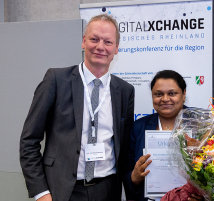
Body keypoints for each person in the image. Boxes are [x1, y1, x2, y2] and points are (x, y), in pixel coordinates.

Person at [19, 14, 134, 201]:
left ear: (116, 48)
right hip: (63, 191)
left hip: (108, 189)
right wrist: (41, 192)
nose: (100, 47)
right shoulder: (56, 80)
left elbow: (125, 146)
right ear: (83, 42)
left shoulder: (124, 90)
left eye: (108, 42)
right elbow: (29, 141)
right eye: (94, 39)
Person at [126, 70, 201, 201]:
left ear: (184, 94)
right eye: (158, 94)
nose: (165, 99)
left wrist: (202, 196)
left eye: (172, 93)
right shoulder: (138, 127)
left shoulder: (201, 125)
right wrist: (134, 177)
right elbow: (125, 172)